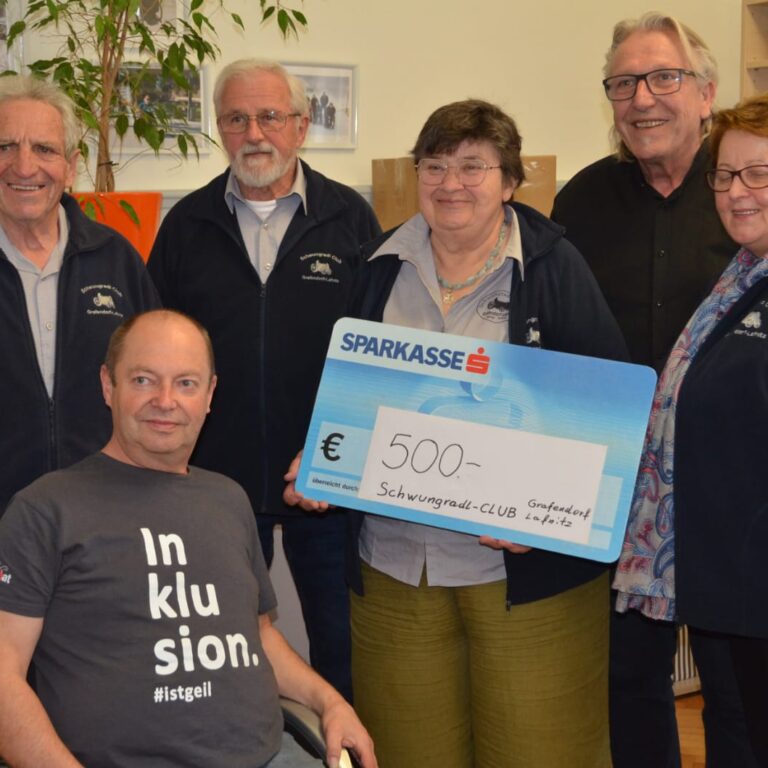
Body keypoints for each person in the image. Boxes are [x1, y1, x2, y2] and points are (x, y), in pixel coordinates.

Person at [287, 99, 628, 768]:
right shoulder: (377, 266)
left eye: (474, 166)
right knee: (412, 752)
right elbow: (350, 396)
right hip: (395, 568)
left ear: (510, 181)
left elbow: (608, 424)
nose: (451, 183)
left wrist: (549, 515)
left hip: (526, 576)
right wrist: (325, 460)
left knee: (540, 753)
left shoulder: (554, 268)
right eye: (434, 165)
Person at [0, 309, 377, 768]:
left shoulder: (228, 499)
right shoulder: (46, 509)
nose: (165, 401)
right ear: (108, 385)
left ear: (209, 394)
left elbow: (258, 635)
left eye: (185, 383)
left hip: (273, 756)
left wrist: (331, 703)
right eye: (143, 380)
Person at [550, 14, 751, 768]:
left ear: (706, 93)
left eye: (664, 77)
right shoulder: (580, 202)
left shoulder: (743, 197)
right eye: (623, 83)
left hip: (733, 493)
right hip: (618, 492)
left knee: (737, 689)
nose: (642, 98)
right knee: (629, 683)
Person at [148, 59, 381, 702]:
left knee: (344, 649)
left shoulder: (350, 219)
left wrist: (337, 451)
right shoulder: (187, 224)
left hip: (326, 481)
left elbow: (376, 354)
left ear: (301, 126)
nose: (254, 133)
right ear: (219, 129)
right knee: (220, 651)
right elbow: (155, 348)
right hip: (213, 485)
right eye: (236, 119)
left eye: (270, 117)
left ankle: (345, 746)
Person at [615, 93, 768, 767]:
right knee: (732, 725)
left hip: (753, 575)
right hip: (721, 572)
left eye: (759, 174)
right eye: (726, 175)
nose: (737, 192)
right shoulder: (741, 275)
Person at [0, 74, 159, 517]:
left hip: (107, 515)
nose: (24, 166)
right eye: (5, 146)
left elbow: (157, 385)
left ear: (71, 167)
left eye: (44, 149)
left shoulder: (116, 259)